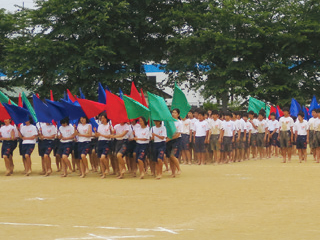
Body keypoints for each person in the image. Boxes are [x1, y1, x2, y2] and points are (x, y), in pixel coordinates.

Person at [95, 113, 113, 179]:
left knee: (103, 157)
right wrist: (96, 133)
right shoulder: (99, 126)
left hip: (106, 142)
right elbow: (97, 135)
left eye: (103, 118)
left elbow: (109, 136)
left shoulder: (109, 126)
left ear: (106, 118)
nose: (102, 120)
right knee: (100, 159)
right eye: (101, 118)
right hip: (100, 142)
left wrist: (101, 135)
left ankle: (107, 168)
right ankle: (103, 173)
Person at [166, 109, 182, 177]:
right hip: (169, 140)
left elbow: (178, 134)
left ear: (178, 115)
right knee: (170, 157)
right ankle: (173, 173)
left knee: (173, 155)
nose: (173, 114)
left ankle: (179, 169)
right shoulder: (169, 122)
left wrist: (170, 138)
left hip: (176, 140)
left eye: (175, 113)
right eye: (172, 112)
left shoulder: (179, 122)